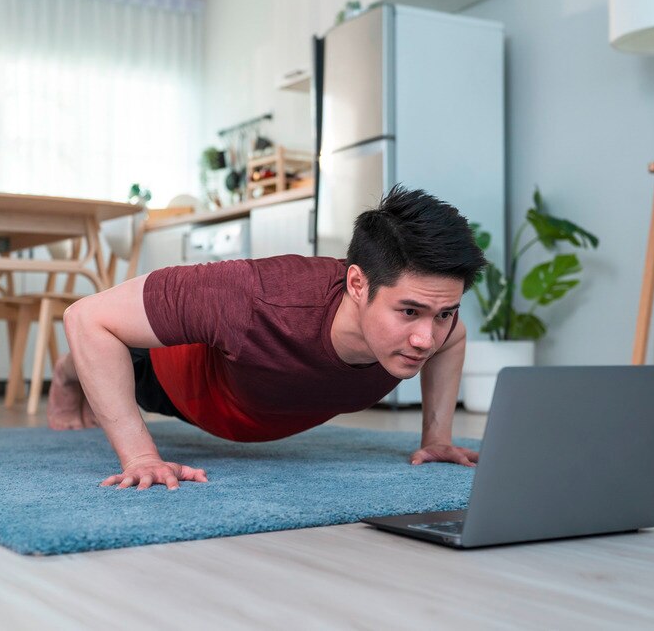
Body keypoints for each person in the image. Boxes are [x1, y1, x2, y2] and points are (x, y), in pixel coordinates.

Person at [50, 186, 487, 490]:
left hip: (266, 406)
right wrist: (141, 457)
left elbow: (454, 339)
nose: (425, 339)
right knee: (113, 348)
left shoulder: (435, 330)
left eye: (444, 313)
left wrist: (436, 438)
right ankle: (68, 374)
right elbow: (86, 316)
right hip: (173, 382)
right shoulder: (253, 296)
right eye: (409, 312)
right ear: (357, 284)